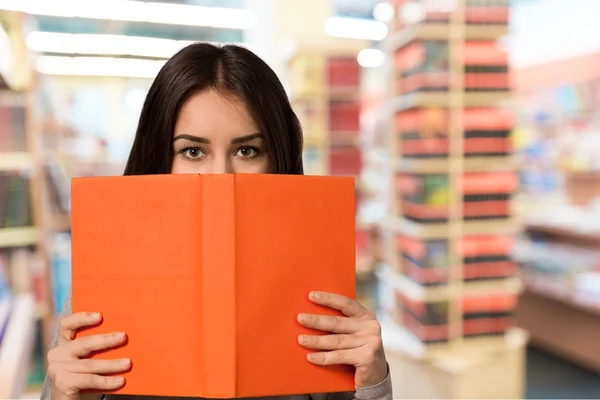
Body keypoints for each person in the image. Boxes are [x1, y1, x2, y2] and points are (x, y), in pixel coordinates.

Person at [41, 43, 393, 400]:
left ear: (278, 159)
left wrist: (373, 383)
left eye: (247, 151)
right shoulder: (99, 294)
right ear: (159, 158)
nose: (220, 176)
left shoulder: (319, 285)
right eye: (193, 151)